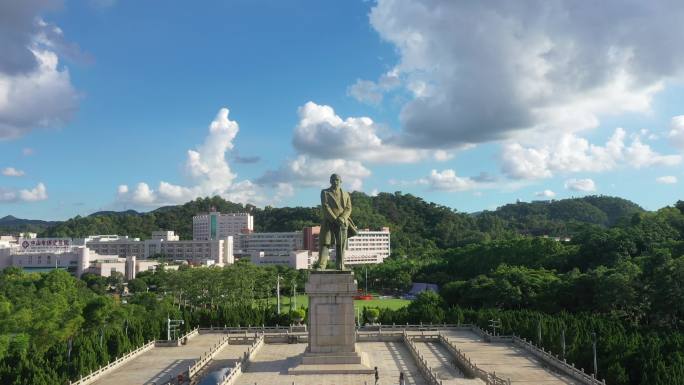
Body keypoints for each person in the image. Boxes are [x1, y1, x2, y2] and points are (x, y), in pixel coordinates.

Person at [318, 173, 357, 270]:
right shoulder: (325, 192)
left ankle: (340, 265)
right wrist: (335, 219)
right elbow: (325, 207)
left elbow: (348, 208)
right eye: (333, 180)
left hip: (343, 223)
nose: (335, 181)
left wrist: (342, 218)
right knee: (325, 243)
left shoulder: (346, 194)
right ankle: (321, 265)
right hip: (329, 221)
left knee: (341, 245)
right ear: (330, 181)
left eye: (337, 180)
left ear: (341, 181)